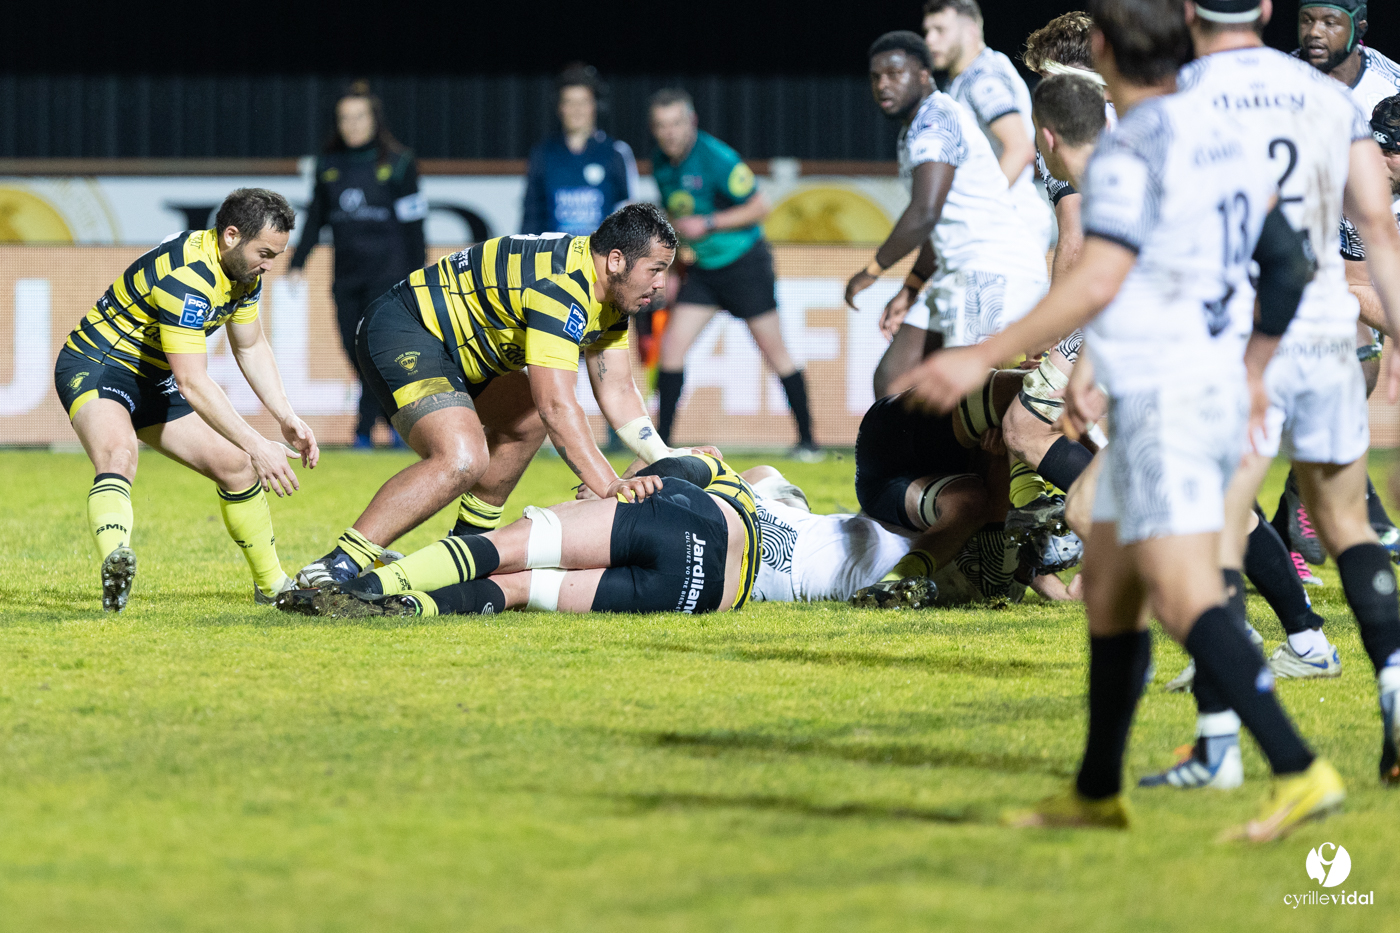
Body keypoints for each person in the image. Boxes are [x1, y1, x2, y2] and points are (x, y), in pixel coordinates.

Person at [896, 0, 1338, 841]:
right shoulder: (1217, 133)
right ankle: (1098, 790)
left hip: (1172, 397)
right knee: (1108, 576)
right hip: (1199, 383)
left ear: (1099, 49)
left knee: (1178, 593)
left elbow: (1098, 277)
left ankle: (1299, 767)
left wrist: (972, 355)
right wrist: (1246, 373)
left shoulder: (1133, 146)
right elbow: (1285, 261)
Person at [295, 204, 697, 589]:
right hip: (405, 329)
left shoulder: (610, 296)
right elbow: (556, 404)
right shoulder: (563, 286)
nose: (661, 283)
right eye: (656, 269)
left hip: (460, 354)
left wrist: (665, 460)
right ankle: (337, 565)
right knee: (463, 458)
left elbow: (619, 390)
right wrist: (608, 484)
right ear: (615, 260)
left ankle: (466, 548)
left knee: (526, 421)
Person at [53, 188, 318, 610]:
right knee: (119, 455)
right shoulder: (188, 279)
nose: (270, 265)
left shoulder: (242, 271)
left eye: (276, 255)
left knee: (236, 466)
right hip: (99, 363)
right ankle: (116, 564)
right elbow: (193, 383)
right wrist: (257, 442)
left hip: (153, 375)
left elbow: (249, 347)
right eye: (265, 253)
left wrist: (284, 415)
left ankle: (272, 587)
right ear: (231, 235)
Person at [279, 452, 759, 619]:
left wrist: (623, 484)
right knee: (520, 589)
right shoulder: (757, 526)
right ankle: (409, 609)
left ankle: (359, 591)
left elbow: (680, 468)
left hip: (687, 522)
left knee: (503, 549)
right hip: (701, 593)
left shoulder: (724, 476)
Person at [844, 32, 1048, 399]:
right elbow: (941, 224)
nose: (883, 84)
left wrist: (872, 271)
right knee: (894, 381)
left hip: (992, 269)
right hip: (957, 270)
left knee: (967, 401)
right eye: (876, 77)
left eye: (894, 73)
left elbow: (924, 213)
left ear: (924, 74)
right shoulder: (919, 123)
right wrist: (912, 287)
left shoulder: (936, 120)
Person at [1277, 0, 1400, 574]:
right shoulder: (1277, 80)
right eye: (1308, 20)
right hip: (1289, 252)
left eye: (1330, 22)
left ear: (1360, 26)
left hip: (1355, 243)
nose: (1315, 33)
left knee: (1360, 364)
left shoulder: (1388, 84)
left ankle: (1302, 515)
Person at [648, 89, 822, 461]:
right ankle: (659, 447)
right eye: (661, 126)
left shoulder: (717, 158)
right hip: (704, 273)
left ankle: (809, 442)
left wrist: (709, 223)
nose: (670, 133)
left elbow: (761, 206)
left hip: (744, 266)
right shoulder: (661, 164)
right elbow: (677, 217)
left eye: (676, 123)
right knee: (673, 347)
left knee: (775, 352)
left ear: (691, 122)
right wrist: (677, 265)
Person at [287, 82, 426, 449]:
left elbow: (415, 227)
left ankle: (365, 431)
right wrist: (298, 261)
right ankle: (394, 422)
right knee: (355, 353)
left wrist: (418, 275)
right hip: (346, 277)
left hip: (389, 276)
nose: (352, 125)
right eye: (344, 118)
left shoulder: (398, 163)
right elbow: (317, 218)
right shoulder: (328, 165)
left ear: (374, 120)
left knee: (374, 351)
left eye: (359, 117)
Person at [922, 0, 1054, 252]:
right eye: (927, 31)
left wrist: (977, 211)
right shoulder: (965, 78)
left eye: (940, 30)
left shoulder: (983, 77)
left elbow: (1020, 149)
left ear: (971, 29)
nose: (930, 40)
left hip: (1006, 227)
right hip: (998, 224)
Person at [522, 64, 639, 237]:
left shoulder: (616, 152)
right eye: (569, 102)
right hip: (554, 258)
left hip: (601, 258)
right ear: (560, 107)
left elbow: (629, 213)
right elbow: (532, 215)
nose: (577, 110)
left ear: (595, 105)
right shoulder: (542, 153)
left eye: (583, 102)